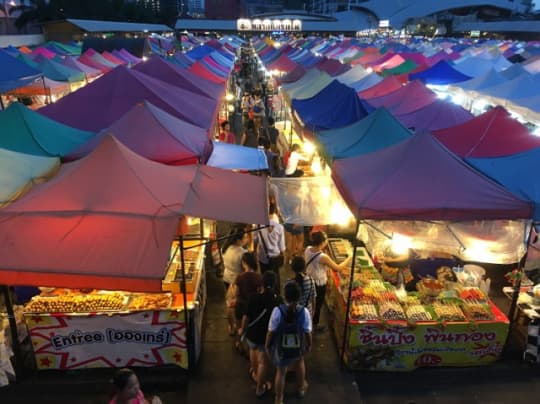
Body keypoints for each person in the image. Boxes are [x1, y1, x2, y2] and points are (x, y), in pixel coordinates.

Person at [265, 282, 312, 404]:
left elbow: (271, 331)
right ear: (299, 296)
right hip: (298, 347)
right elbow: (307, 332)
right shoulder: (304, 312)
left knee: (281, 372)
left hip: (281, 349)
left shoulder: (277, 311)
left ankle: (279, 398)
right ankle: (301, 388)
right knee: (300, 364)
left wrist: (267, 345)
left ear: (285, 296)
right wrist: (309, 344)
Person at [239, 271, 281, 398]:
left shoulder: (253, 297)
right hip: (265, 335)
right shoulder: (277, 300)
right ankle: (260, 387)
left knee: (253, 350)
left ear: (262, 282)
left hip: (252, 333)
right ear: (274, 284)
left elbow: (246, 317)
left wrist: (243, 329)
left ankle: (255, 372)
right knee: (263, 361)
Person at [304, 231, 351, 333]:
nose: (327, 241)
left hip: (309, 280)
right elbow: (337, 268)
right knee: (317, 305)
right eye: (325, 240)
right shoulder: (322, 257)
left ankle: (308, 322)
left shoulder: (307, 249)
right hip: (319, 284)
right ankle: (314, 326)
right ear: (321, 242)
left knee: (310, 303)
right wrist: (349, 259)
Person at [234, 252, 263, 352]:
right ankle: (249, 349)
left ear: (244, 263)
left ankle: (239, 344)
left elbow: (236, 293)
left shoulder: (240, 277)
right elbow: (260, 292)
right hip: (253, 307)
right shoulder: (259, 277)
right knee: (249, 328)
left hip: (241, 306)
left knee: (239, 328)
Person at [222, 229, 249, 335]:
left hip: (226, 278)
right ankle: (237, 327)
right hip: (237, 282)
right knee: (238, 306)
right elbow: (245, 269)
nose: (246, 239)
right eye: (245, 237)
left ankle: (231, 326)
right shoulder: (242, 253)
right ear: (238, 240)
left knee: (229, 304)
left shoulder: (225, 248)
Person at [255, 204, 286, 290]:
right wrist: (284, 256)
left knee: (264, 276)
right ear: (274, 212)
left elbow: (255, 240)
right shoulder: (279, 227)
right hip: (275, 257)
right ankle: (275, 294)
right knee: (275, 277)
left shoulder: (258, 224)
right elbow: (282, 246)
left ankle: (266, 294)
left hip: (263, 256)